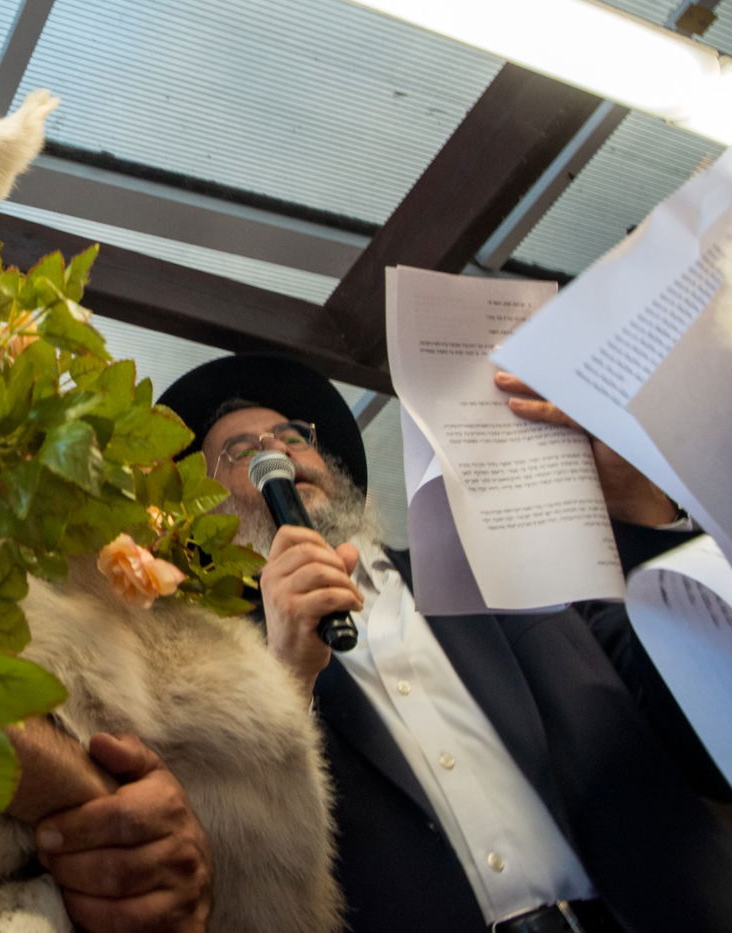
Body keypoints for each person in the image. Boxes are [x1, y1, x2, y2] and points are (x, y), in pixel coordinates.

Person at [143, 351, 732, 932]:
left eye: (293, 435)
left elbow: (697, 712)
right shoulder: (207, 668)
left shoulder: (494, 565)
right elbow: (233, 868)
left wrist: (641, 512)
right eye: (241, 452)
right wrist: (286, 677)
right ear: (204, 507)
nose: (276, 451)